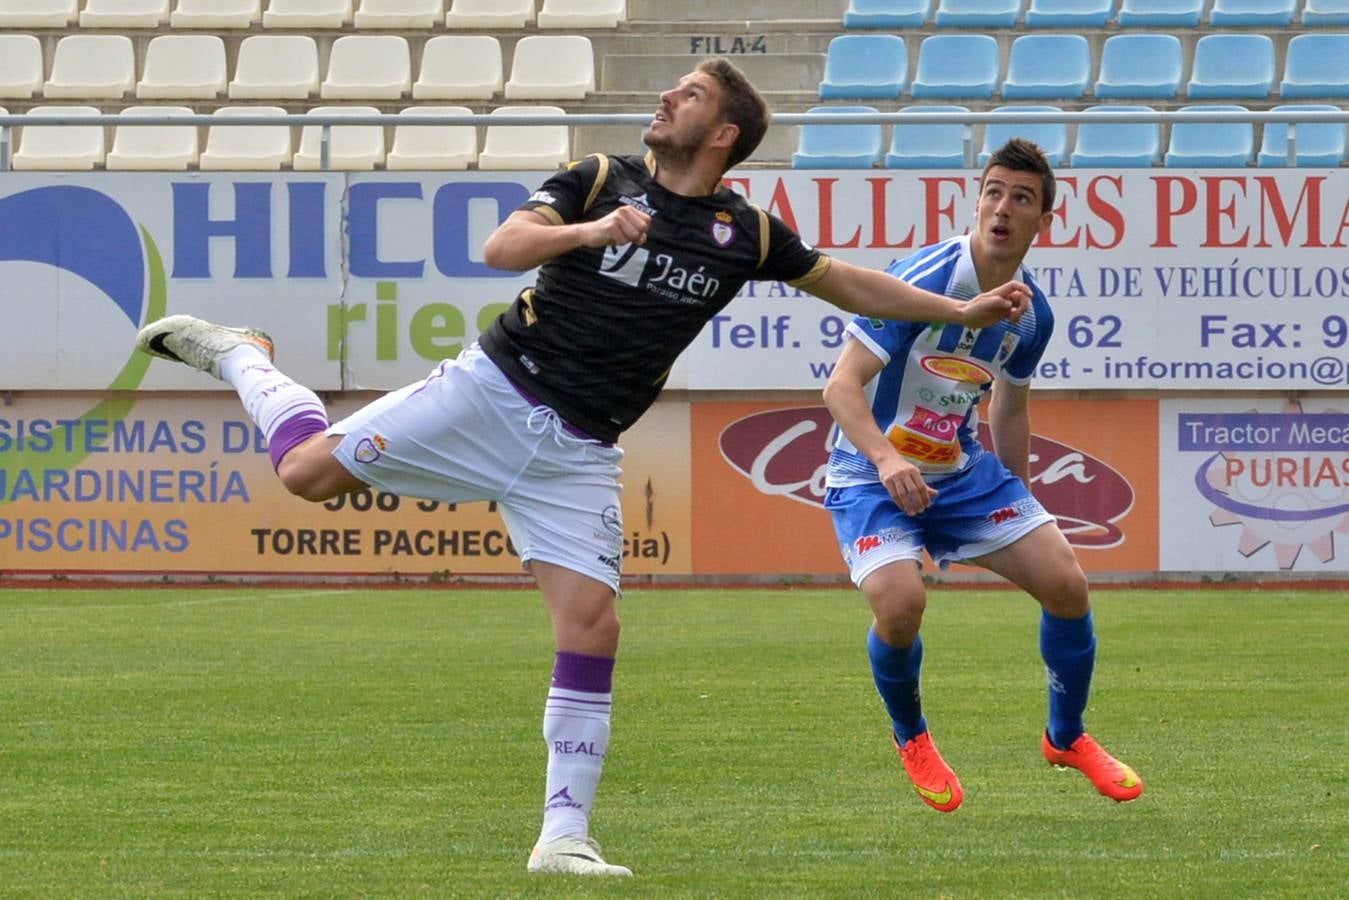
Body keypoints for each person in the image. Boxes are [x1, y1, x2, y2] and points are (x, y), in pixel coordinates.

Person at [135, 58, 1030, 876]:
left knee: (592, 627)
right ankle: (245, 356)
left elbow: (849, 284)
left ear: (722, 134)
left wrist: (962, 303)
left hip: (579, 452)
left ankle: (563, 836)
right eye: (673, 88)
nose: (667, 99)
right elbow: (501, 251)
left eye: (689, 95)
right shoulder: (600, 179)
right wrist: (592, 230)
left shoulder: (743, 232)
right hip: (492, 394)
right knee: (304, 475)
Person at [822, 138, 1143, 815]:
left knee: (1065, 583)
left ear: (1042, 221)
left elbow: (1010, 404)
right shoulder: (924, 278)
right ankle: (911, 737)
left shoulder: (1032, 316)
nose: (1002, 207)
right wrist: (886, 459)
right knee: (900, 606)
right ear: (976, 201)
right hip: (868, 471)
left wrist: (1019, 495)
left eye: (1020, 198)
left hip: (961, 474)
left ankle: (1066, 737)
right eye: (993, 191)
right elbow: (840, 388)